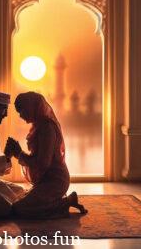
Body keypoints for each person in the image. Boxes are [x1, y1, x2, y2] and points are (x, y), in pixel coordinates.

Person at [5, 91, 87, 219]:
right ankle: (58, 201)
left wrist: (19, 153)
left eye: (22, 110)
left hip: (55, 180)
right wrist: (16, 153)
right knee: (15, 200)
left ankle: (66, 203)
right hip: (45, 180)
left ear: (31, 107)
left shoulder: (46, 128)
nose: (20, 116)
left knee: (19, 208)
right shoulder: (38, 125)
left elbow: (43, 163)